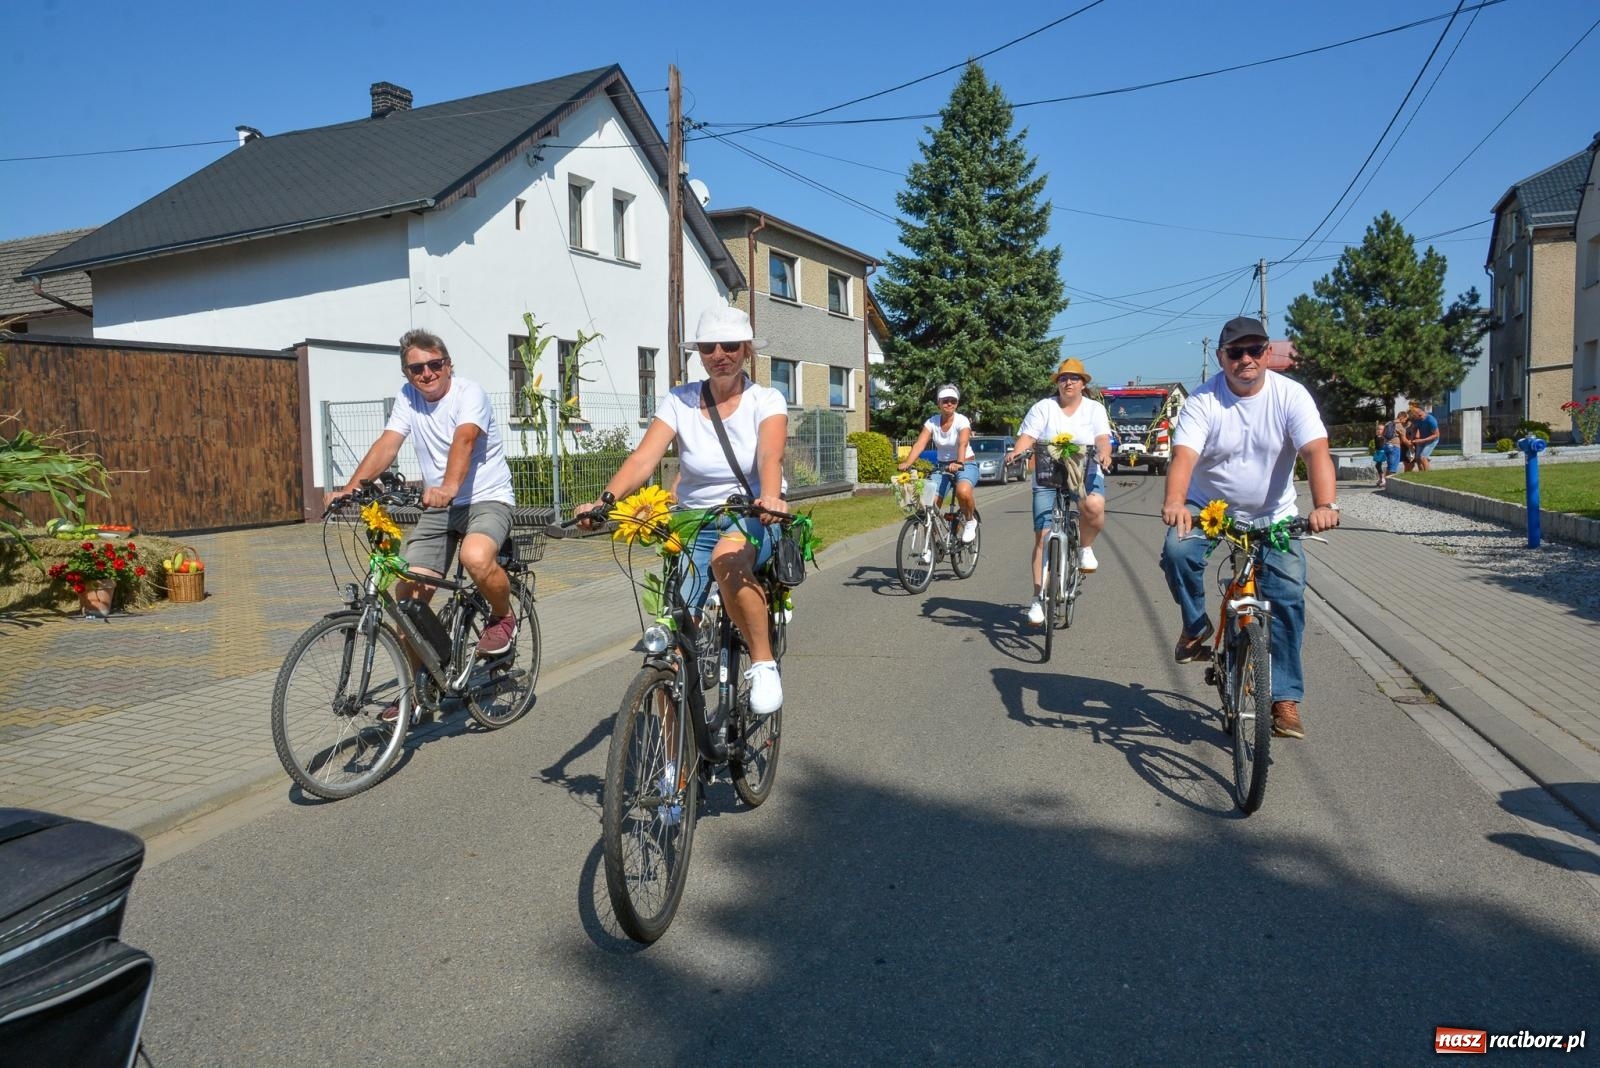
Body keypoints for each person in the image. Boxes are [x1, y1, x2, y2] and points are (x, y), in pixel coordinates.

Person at [579, 305, 788, 716]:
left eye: (729, 345)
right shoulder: (680, 400)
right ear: (699, 353)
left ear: (746, 349)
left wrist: (769, 497)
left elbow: (769, 455)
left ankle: (763, 664)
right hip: (694, 519)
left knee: (727, 559)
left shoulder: (766, 399)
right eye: (708, 346)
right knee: (671, 641)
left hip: (752, 513)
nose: (719, 353)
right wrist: (605, 502)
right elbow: (643, 460)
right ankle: (673, 769)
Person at [1159, 316, 1340, 740]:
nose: (1246, 359)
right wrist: (1174, 501)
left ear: (1266, 354)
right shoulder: (1203, 401)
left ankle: (1284, 700)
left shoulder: (1290, 396)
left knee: (1289, 595)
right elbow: (1183, 457)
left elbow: (1316, 452)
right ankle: (1195, 625)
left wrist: (1325, 504)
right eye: (1235, 352)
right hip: (1210, 510)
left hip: (1273, 516)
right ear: (1221, 357)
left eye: (1254, 350)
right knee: (1177, 552)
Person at [332, 331, 519, 718]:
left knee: (475, 556)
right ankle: (413, 690)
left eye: (435, 365)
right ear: (407, 372)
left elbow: (464, 440)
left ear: (448, 365)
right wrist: (351, 488)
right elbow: (388, 444)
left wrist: (449, 485)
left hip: (486, 497)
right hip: (440, 506)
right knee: (408, 596)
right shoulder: (408, 397)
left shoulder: (470, 393)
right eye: (417, 368)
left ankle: (503, 616)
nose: (427, 373)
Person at [1004, 357, 1113, 626]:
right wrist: (1017, 453)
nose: (1069, 382)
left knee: (1094, 506)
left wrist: (1104, 453)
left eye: (1074, 378)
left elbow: (1102, 438)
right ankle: (1038, 598)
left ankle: (1085, 547)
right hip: (1048, 474)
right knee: (1042, 536)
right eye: (1064, 378)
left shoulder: (1094, 409)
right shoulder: (1044, 407)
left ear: (1083, 383)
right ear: (1058, 382)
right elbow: (1028, 437)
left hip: (1084, 471)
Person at [896, 384, 979, 543]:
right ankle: (931, 545)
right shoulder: (932, 422)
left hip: (965, 464)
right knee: (929, 506)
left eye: (953, 401)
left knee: (963, 492)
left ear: (957, 403)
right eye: (945, 400)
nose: (949, 403)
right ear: (939, 403)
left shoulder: (962, 421)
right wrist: (907, 462)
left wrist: (959, 462)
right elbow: (920, 444)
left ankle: (970, 521)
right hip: (942, 467)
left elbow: (962, 443)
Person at [1407, 400, 1440, 471]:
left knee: (1423, 457)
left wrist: (1421, 440)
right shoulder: (1415, 419)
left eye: (1417, 417)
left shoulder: (1431, 420)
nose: (1416, 419)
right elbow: (1414, 429)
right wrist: (1411, 439)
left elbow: (1436, 435)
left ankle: (1428, 475)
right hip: (1422, 439)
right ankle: (1422, 474)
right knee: (1418, 458)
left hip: (1432, 439)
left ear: (1420, 414)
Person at [1373, 412, 1403, 489]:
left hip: (1383, 451)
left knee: (1388, 465)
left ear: (1384, 430)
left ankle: (1384, 479)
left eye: (1380, 429)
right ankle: (1381, 478)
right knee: (1378, 465)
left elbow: (1386, 444)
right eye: (1377, 429)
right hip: (1378, 451)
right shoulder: (1376, 436)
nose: (1379, 431)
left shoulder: (1384, 437)